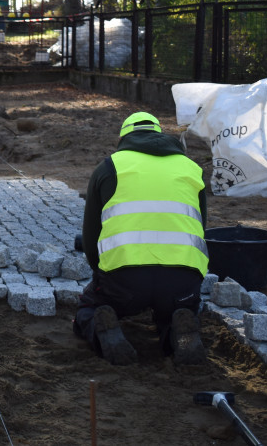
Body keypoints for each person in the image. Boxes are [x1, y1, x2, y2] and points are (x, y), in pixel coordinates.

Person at [73, 111, 208, 366]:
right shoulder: (192, 169)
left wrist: (100, 276)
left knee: (89, 308)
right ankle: (176, 335)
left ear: (124, 138)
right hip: (181, 281)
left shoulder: (109, 167)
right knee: (179, 311)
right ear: (159, 133)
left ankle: (103, 334)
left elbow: (92, 236)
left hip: (124, 283)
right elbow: (200, 228)